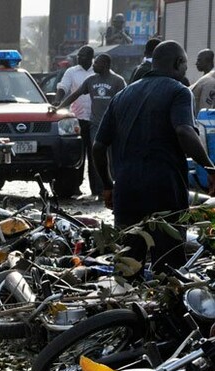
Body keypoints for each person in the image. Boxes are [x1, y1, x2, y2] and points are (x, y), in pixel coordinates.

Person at [93, 41, 215, 272]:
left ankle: (124, 307)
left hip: (126, 191)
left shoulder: (122, 95)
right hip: (164, 191)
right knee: (167, 267)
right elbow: (184, 131)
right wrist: (210, 168)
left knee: (127, 267)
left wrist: (108, 186)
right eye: (185, 65)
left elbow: (98, 146)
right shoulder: (178, 91)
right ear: (178, 63)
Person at [55, 54, 126, 197]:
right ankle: (101, 190)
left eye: (97, 63)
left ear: (105, 65)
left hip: (113, 126)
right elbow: (75, 95)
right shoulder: (91, 80)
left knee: (113, 158)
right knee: (97, 157)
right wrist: (58, 107)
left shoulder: (117, 81)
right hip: (95, 125)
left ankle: (116, 188)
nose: (93, 65)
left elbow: (125, 101)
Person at [54, 46, 94, 196]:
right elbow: (63, 87)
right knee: (77, 156)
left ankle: (97, 188)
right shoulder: (71, 72)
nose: (79, 58)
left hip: (95, 119)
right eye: (78, 55)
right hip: (77, 119)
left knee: (95, 155)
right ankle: (76, 186)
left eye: (82, 55)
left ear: (90, 57)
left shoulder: (97, 70)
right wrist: (58, 100)